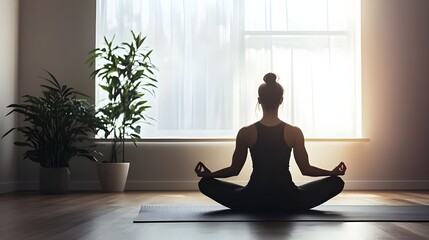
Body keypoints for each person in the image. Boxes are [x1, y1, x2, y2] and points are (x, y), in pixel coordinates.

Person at [194, 72, 347, 212]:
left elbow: (234, 170)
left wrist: (210, 174)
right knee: (336, 182)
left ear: (259, 101)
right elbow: (305, 169)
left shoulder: (246, 132)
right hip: (289, 199)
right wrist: (331, 173)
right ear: (281, 100)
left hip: (252, 199)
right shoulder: (294, 132)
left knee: (205, 183)